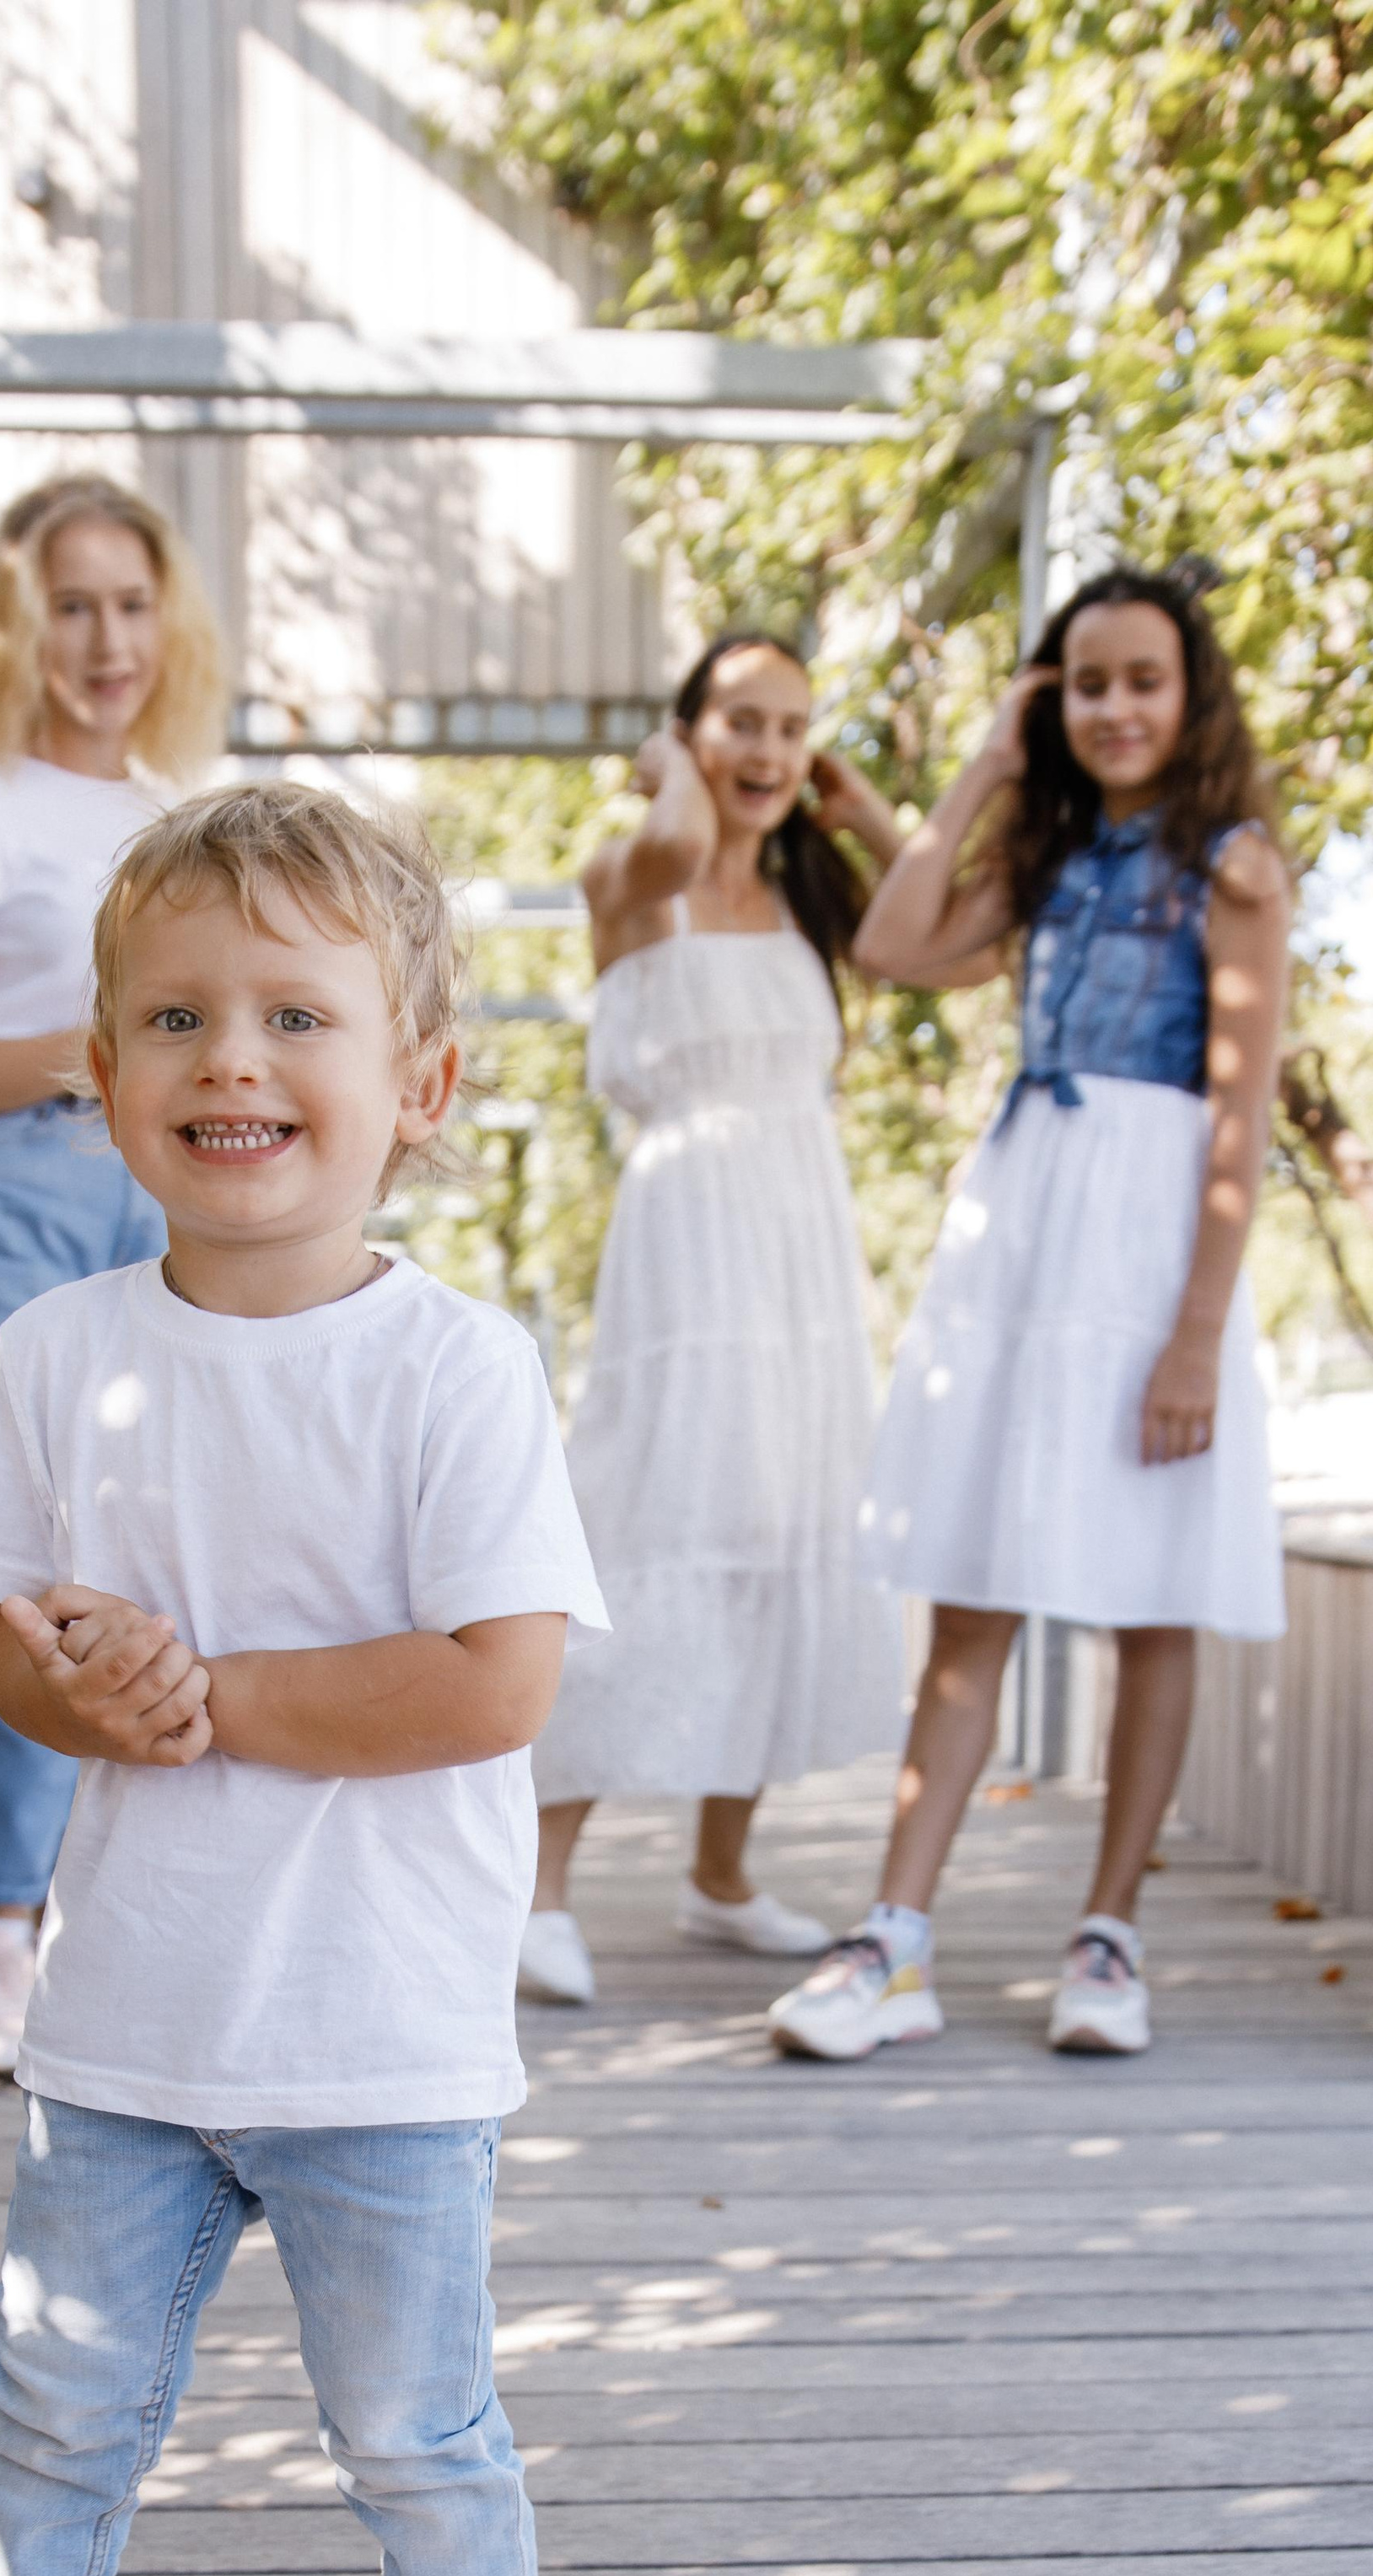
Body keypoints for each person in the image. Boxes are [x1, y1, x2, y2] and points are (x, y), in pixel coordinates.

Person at [0, 782, 606, 2576]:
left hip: (380, 2042)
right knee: (51, 2417)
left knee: (414, 2435)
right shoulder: (62, 1356)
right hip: (127, 2027)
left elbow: (495, 1684)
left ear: (422, 1081)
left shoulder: (458, 1372)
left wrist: (217, 1703)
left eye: (297, 1011)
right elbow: (9, 1633)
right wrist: (82, 1690)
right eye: (176, 1016)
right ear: (96, 1080)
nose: (232, 1058)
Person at [767, 566, 1291, 2067]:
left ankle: (1110, 1934)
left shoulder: (1236, 865)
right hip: (1027, 1221)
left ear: (1190, 696)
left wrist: (1198, 1328)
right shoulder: (1049, 855)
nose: (1113, 708)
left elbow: (1241, 1113)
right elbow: (897, 941)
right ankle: (897, 1939)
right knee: (973, 1586)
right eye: (1083, 683)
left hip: (1149, 1233)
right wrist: (987, 766)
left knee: (1149, 1593)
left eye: (1141, 679)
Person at [0, 472, 225, 2078]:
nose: (108, 640)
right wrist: (94, 1061)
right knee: (41, 1580)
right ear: (25, 622)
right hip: (14, 1209)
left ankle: (123, 1932)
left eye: (134, 604)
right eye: (74, 604)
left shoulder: (172, 811)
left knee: (165, 1572)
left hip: (153, 1207)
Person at [521, 632, 907, 2006]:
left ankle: (722, 1877)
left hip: (800, 1250)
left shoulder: (813, 897)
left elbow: (952, 939)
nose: (769, 753)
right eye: (740, 721)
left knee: (779, 1523)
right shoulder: (632, 872)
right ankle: (541, 1884)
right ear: (685, 734)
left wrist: (862, 809)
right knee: (643, 1525)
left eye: (794, 728)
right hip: (684, 1245)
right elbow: (681, 847)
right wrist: (668, 771)